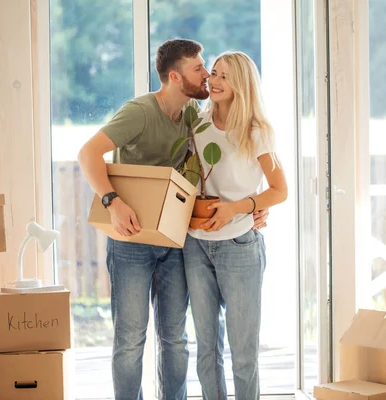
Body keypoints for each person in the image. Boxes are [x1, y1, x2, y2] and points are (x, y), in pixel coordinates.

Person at [77, 40, 269, 400]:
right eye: (200, 68)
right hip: (130, 240)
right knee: (131, 338)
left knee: (175, 338)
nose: (207, 75)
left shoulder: (195, 118)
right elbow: (87, 153)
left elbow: (230, 160)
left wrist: (256, 204)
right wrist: (112, 201)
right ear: (175, 77)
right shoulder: (140, 112)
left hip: (175, 240)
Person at [183, 51, 288, 400]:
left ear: (241, 83)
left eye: (224, 76)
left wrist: (239, 209)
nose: (214, 80)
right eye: (213, 73)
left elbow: (279, 190)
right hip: (195, 244)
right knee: (206, 348)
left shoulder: (256, 131)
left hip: (239, 245)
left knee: (243, 353)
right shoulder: (196, 123)